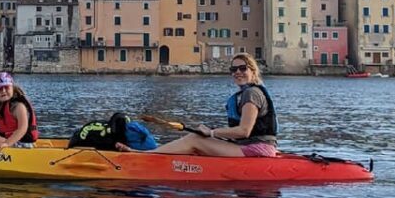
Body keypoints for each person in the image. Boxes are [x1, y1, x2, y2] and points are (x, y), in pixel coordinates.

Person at [117, 53, 278, 157]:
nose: (237, 72)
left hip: (258, 150)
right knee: (197, 139)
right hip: (248, 147)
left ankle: (145, 155)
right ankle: (154, 155)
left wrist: (212, 133)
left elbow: (244, 131)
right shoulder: (242, 95)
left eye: (243, 68)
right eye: (233, 69)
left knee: (194, 140)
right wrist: (211, 133)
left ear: (253, 71)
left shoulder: (251, 93)